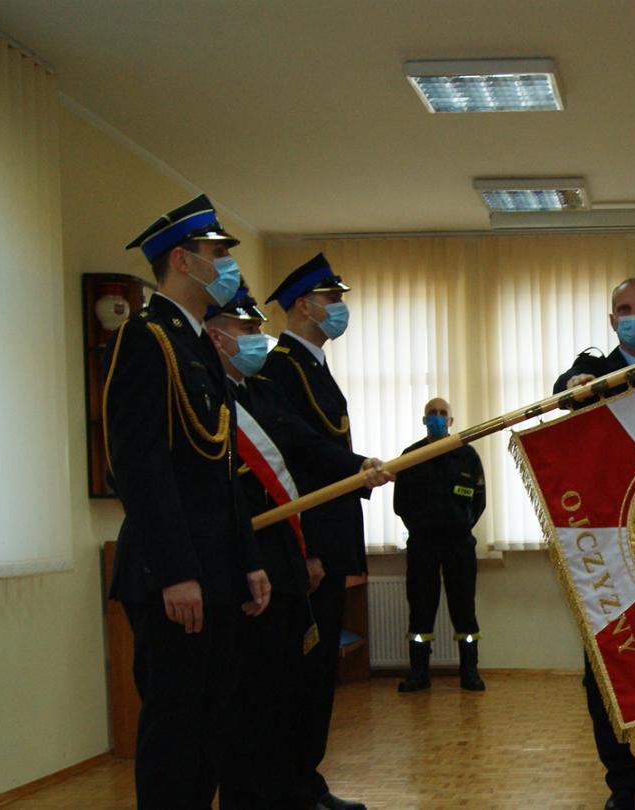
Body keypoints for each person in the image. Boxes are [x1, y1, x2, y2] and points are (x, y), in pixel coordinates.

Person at [104, 194, 271, 808]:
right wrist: (177, 571)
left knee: (211, 732)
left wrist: (247, 558)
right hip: (173, 576)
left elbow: (221, 472)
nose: (228, 265)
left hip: (218, 572)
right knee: (175, 735)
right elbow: (140, 467)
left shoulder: (198, 343)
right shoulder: (146, 339)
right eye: (217, 253)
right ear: (182, 260)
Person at [203, 285, 392, 809]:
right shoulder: (210, 396)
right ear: (216, 338)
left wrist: (357, 467)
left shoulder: (262, 393)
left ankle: (290, 787)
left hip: (284, 559)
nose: (258, 339)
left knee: (285, 687)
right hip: (251, 563)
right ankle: (258, 794)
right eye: (247, 331)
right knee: (252, 694)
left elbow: (305, 447)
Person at [553, 277, 635, 810]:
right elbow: (560, 395)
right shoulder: (590, 375)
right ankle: (619, 782)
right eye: (623, 310)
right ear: (610, 322)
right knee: (601, 670)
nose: (633, 317)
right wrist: (575, 385)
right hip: (601, 546)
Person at [260, 253, 369, 810]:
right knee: (301, 676)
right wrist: (358, 469)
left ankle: (306, 779)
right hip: (308, 545)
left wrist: (359, 470)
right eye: (332, 301)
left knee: (319, 672)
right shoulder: (279, 369)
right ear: (304, 306)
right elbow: (292, 457)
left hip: (329, 539)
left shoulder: (313, 366)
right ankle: (292, 786)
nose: (340, 310)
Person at [391, 397, 488, 692]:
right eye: (431, 413)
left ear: (451, 421)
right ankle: (419, 674)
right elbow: (400, 505)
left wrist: (459, 526)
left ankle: (469, 673)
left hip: (459, 544)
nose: (436, 417)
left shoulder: (467, 455)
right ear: (423, 420)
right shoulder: (409, 457)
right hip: (423, 545)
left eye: (441, 413)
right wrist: (422, 528)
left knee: (464, 610)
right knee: (420, 609)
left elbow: (479, 502)